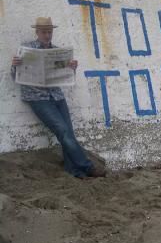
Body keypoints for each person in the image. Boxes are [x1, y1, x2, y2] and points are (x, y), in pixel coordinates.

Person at [11, 17, 105, 179]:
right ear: (37, 32)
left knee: (68, 133)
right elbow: (15, 76)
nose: (47, 35)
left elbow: (63, 76)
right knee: (62, 131)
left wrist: (71, 68)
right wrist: (15, 65)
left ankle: (73, 170)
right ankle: (87, 167)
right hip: (37, 98)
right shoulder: (27, 50)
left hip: (57, 96)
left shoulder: (56, 52)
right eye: (44, 32)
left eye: (50, 32)